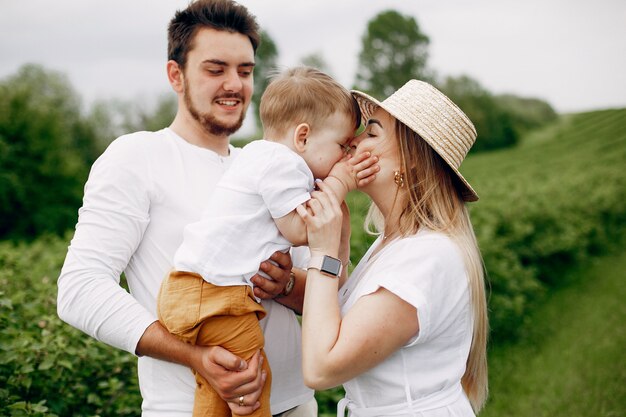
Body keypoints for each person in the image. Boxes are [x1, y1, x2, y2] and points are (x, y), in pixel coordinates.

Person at [56, 1, 335, 416]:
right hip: (186, 407)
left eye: (245, 71)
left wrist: (287, 285)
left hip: (295, 404)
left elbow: (324, 290)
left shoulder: (269, 166)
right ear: (176, 75)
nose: (234, 85)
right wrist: (194, 357)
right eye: (215, 68)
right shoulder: (136, 157)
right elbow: (79, 290)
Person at [157, 65, 378, 417]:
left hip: (200, 292)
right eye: (341, 146)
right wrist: (340, 183)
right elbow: (296, 229)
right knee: (252, 385)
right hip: (214, 295)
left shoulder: (263, 157)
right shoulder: (283, 163)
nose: (345, 157)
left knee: (221, 391)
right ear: (302, 137)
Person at [297, 80, 489, 416]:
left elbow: (320, 368)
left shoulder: (426, 257)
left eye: (371, 133)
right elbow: (342, 320)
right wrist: (300, 275)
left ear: (412, 160)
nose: (351, 142)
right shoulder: (393, 243)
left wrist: (322, 254)